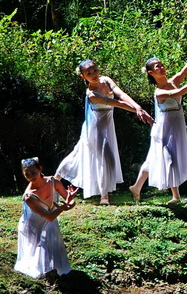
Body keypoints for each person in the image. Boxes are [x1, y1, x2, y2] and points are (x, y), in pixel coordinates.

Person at [56, 59, 154, 205]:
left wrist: (138, 107)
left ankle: (55, 179)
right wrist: (138, 111)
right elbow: (118, 104)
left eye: (94, 70)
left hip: (107, 125)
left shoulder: (106, 80)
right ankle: (104, 196)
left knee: (79, 154)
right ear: (83, 76)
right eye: (89, 73)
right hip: (95, 128)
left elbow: (121, 95)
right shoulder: (91, 94)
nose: (93, 74)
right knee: (104, 158)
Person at [129, 30, 187, 204]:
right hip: (164, 129)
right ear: (151, 73)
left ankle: (136, 187)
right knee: (168, 158)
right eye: (157, 66)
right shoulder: (159, 92)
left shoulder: (173, 81)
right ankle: (176, 196)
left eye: (162, 64)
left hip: (176, 125)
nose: (162, 67)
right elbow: (179, 92)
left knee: (153, 159)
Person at [14, 157, 77, 279]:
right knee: (38, 251)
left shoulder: (54, 182)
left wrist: (69, 202)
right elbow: (49, 216)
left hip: (50, 220)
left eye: (33, 173)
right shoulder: (29, 196)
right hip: (33, 224)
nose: (31, 177)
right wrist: (63, 207)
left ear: (40, 169)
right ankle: (45, 276)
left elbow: (70, 201)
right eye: (27, 175)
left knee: (51, 239)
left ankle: (56, 271)